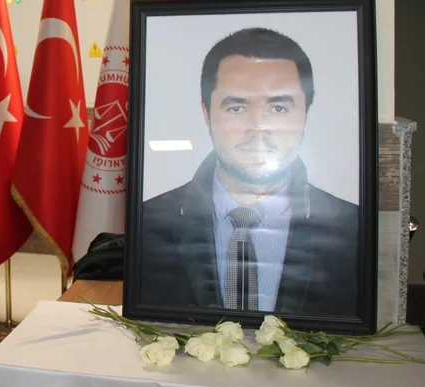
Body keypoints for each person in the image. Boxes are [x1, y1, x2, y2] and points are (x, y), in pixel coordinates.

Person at [140, 27, 358, 317]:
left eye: (278, 108)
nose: (257, 128)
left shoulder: (353, 232)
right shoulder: (147, 225)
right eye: (237, 108)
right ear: (207, 115)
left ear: (305, 115)